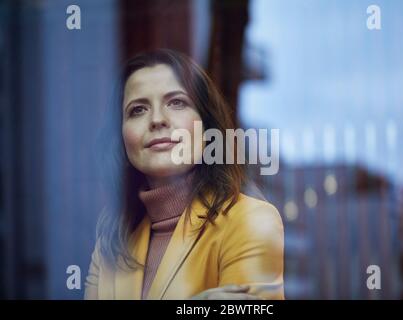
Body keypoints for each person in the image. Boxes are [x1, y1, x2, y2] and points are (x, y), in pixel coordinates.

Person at [84, 49, 284, 300]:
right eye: (137, 110)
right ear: (122, 139)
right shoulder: (112, 236)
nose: (157, 119)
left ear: (207, 127)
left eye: (176, 102)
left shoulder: (251, 220)